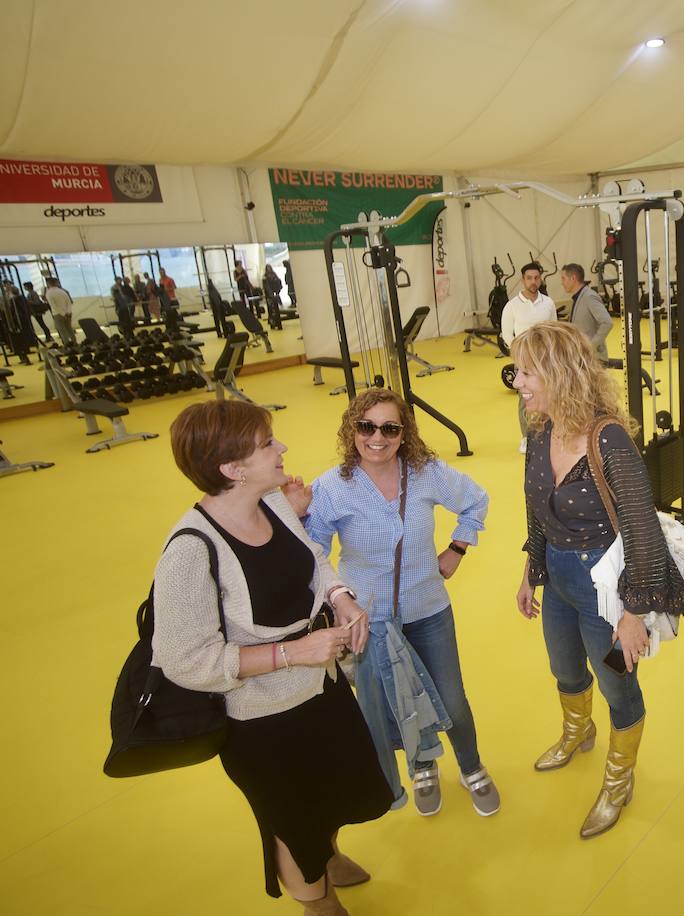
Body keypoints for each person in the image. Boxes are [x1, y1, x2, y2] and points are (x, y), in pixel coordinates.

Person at [153, 400, 389, 914]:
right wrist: (291, 653)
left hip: (321, 690)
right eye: (267, 444)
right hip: (262, 720)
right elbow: (186, 661)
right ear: (233, 470)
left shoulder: (274, 504)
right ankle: (317, 902)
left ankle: (327, 859)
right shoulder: (189, 552)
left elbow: (312, 561)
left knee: (332, 788)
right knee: (293, 820)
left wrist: (341, 598)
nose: (281, 449)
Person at [512, 321, 684, 839]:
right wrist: (532, 569)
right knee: (564, 668)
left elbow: (640, 528)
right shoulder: (540, 431)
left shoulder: (607, 438)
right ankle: (578, 730)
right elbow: (535, 510)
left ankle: (618, 780)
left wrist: (633, 611)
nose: (519, 382)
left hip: (608, 586)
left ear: (558, 373)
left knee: (619, 683)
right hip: (560, 580)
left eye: (527, 372)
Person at [289, 389, 500, 819]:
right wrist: (295, 517)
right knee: (395, 702)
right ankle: (422, 767)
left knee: (452, 698)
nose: (377, 438)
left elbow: (476, 499)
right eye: (366, 427)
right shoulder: (332, 488)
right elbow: (312, 554)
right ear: (352, 430)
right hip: (370, 622)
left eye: (390, 428)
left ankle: (471, 765)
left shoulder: (425, 473)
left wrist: (457, 548)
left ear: (404, 434)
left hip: (428, 609)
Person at [501, 261, 556, 452]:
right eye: (529, 278)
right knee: (525, 400)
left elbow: (554, 330)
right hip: (524, 361)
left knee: (550, 396)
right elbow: (508, 335)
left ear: (540, 279)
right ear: (522, 280)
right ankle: (526, 436)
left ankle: (551, 432)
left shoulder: (548, 303)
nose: (533, 282)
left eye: (536, 278)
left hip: (546, 360)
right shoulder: (512, 306)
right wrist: (520, 355)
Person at [559, 262, 612, 360]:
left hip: (593, 359)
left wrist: (591, 346)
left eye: (563, 278)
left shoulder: (589, 296)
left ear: (573, 278)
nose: (561, 282)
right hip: (582, 357)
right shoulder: (578, 297)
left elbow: (607, 322)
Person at [43, 277, 74, 345]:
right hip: (68, 313)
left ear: (48, 284)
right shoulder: (63, 291)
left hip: (58, 314)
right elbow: (69, 302)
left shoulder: (49, 293)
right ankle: (74, 342)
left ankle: (67, 344)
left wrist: (63, 314)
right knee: (69, 329)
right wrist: (68, 312)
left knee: (62, 330)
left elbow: (53, 306)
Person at [263, 264, 285, 330]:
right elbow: (266, 287)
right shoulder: (265, 277)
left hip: (275, 295)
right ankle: (272, 324)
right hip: (269, 296)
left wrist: (277, 292)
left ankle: (278, 324)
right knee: (271, 311)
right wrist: (269, 294)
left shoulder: (274, 275)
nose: (269, 269)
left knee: (276, 310)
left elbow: (278, 282)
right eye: (268, 268)